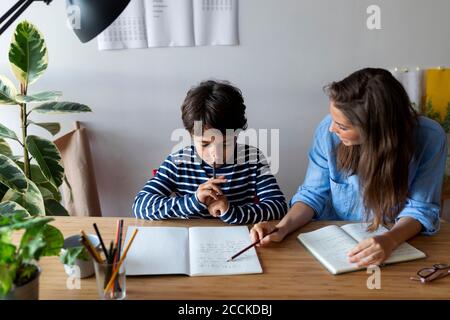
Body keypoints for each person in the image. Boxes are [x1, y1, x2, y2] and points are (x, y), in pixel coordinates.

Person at [251, 68, 447, 267]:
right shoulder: (328, 132)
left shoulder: (429, 137)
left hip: (397, 243)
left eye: (343, 127)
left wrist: (390, 239)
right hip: (332, 242)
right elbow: (312, 194)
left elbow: (420, 208)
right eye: (334, 120)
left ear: (377, 130)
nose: (332, 129)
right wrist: (282, 228)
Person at [133, 80, 287, 223]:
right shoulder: (179, 161)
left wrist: (232, 212)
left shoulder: (252, 159)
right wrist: (195, 201)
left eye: (226, 144)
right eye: (205, 144)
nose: (216, 155)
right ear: (191, 135)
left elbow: (279, 207)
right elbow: (140, 206)